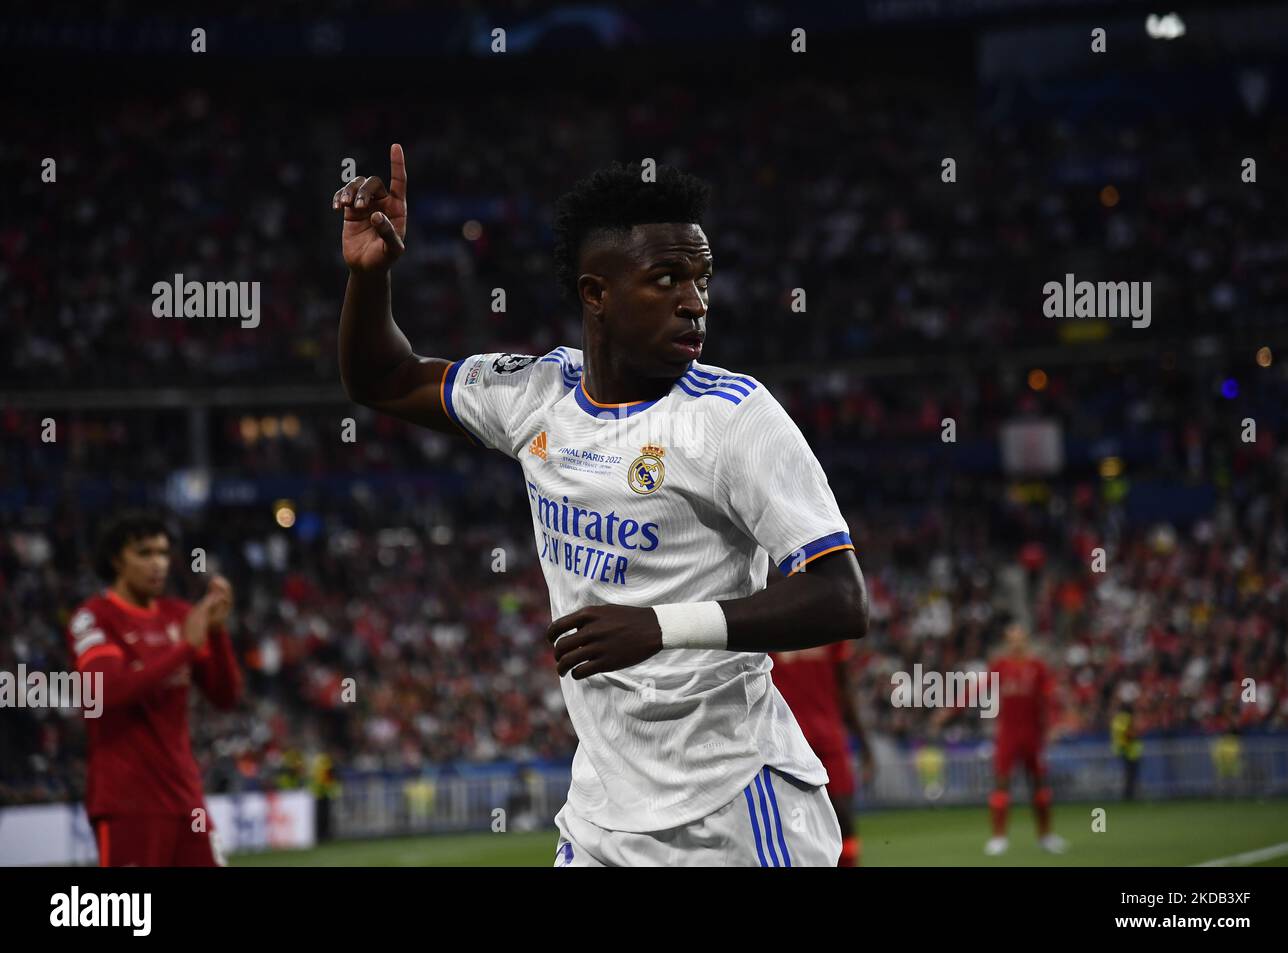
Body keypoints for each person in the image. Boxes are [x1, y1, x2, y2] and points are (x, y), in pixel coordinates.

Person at [335, 149, 869, 866]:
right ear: (597, 294)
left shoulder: (735, 418)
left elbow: (840, 597)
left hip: (733, 809)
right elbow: (383, 378)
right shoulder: (538, 394)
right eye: (667, 279)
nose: (696, 302)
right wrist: (370, 278)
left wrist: (661, 627)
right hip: (602, 817)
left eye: (702, 279)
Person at [68, 511, 242, 866]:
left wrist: (218, 634)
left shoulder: (178, 615)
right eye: (144, 553)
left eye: (163, 553)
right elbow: (105, 692)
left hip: (186, 799)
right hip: (128, 803)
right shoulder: (95, 617)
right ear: (117, 560)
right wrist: (184, 650)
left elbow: (226, 697)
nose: (158, 564)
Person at [770, 640, 872, 866]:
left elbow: (844, 684)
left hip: (829, 736)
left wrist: (863, 742)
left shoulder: (832, 620)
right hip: (785, 738)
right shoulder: (770, 615)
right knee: (787, 824)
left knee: (843, 818)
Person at [984, 621, 1066, 855]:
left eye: (1019, 638)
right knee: (1001, 784)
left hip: (1032, 734)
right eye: (1011, 638)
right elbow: (979, 688)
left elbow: (1049, 698)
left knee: (1039, 786)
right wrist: (952, 708)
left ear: (1025, 640)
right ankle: (998, 838)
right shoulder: (1000, 665)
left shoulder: (1038, 666)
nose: (1015, 642)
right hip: (1007, 734)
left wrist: (1053, 725)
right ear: (1007, 641)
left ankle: (1046, 836)